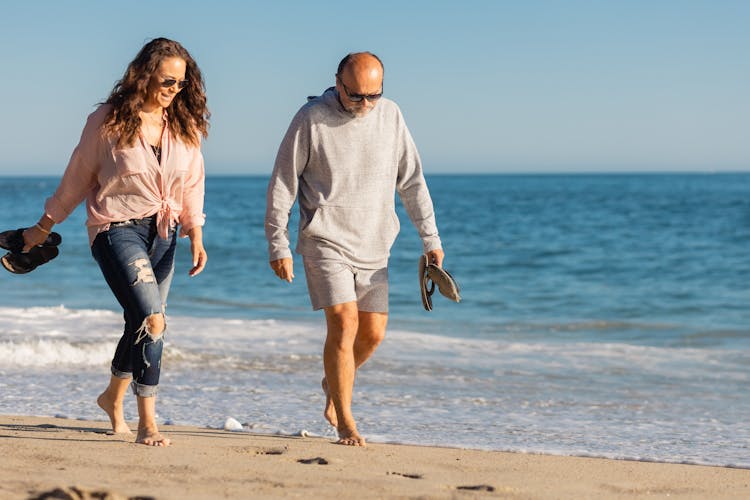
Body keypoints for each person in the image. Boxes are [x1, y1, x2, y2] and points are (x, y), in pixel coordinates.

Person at [21, 38, 209, 446]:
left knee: (139, 322)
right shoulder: (108, 120)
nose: (173, 89)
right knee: (154, 321)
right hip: (116, 229)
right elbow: (78, 176)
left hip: (165, 233)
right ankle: (148, 423)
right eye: (167, 80)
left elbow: (192, 184)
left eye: (180, 83)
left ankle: (111, 398)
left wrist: (196, 233)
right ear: (145, 74)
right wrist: (42, 227)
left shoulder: (184, 125)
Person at [265, 52, 445, 446]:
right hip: (325, 239)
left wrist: (430, 239)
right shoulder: (310, 118)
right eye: (355, 96)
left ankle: (334, 381)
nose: (364, 105)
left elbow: (412, 181)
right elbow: (283, 182)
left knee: (374, 333)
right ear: (338, 82)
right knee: (344, 323)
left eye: (373, 96)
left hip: (375, 244)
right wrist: (277, 241)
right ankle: (346, 422)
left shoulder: (391, 115)